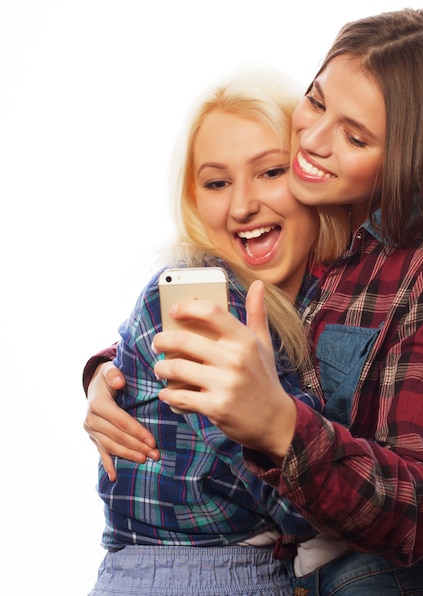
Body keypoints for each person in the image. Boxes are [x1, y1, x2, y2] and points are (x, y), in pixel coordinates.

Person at [84, 8, 423, 595]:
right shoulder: (316, 244)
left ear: (408, 157)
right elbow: (300, 408)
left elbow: (414, 498)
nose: (313, 142)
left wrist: (277, 425)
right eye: (316, 101)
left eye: (355, 136)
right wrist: (112, 374)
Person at [87, 67, 349, 596]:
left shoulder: (314, 297)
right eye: (216, 182)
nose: (241, 205)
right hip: (199, 575)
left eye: (270, 172)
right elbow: (267, 474)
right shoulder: (206, 303)